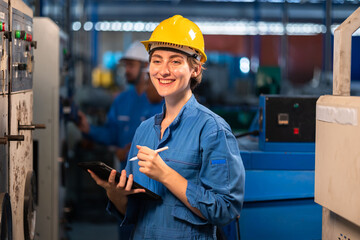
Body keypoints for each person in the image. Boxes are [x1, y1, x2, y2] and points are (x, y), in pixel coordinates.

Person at [88, 15, 245, 239]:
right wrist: (115, 193)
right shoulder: (144, 130)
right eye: (157, 60)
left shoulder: (212, 131)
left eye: (175, 61)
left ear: (196, 69)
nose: (163, 70)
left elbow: (225, 209)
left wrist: (166, 175)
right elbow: (133, 212)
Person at [77, 41, 164, 171]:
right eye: (126, 65)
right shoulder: (121, 100)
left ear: (146, 66)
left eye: (131, 65)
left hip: (152, 176)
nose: (126, 70)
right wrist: (89, 129)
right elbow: (112, 134)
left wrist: (132, 151)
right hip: (126, 175)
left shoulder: (162, 102)